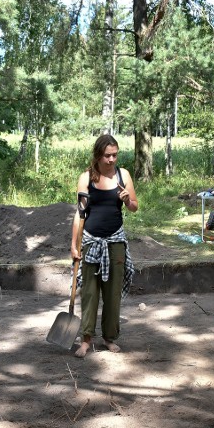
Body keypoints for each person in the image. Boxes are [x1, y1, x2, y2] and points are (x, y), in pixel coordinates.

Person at [71, 135, 138, 359]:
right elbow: (79, 214)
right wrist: (74, 244)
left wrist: (128, 200)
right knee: (89, 293)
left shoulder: (123, 175)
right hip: (90, 241)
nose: (111, 159)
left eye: (115, 155)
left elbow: (134, 207)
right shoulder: (86, 178)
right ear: (98, 155)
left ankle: (109, 338)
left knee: (112, 293)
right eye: (107, 155)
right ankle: (86, 340)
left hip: (115, 241)